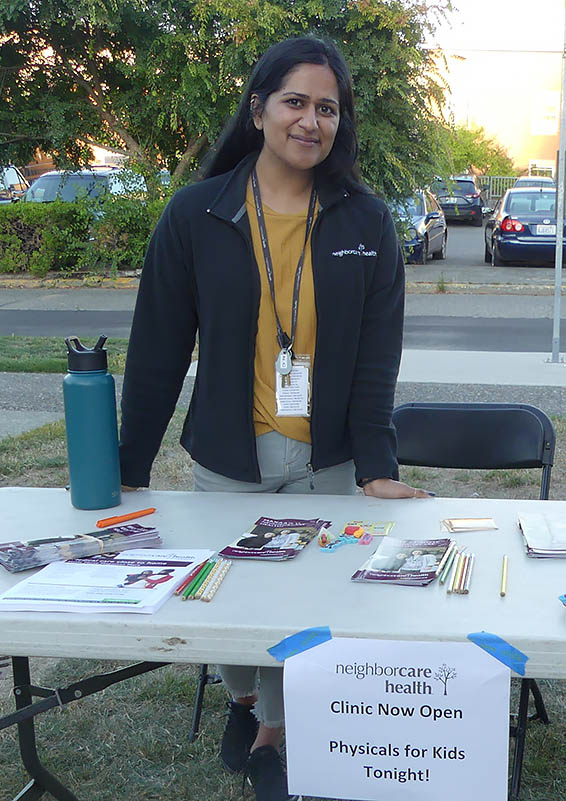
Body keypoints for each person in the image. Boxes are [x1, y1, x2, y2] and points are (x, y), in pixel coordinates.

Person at [119, 34, 432, 801]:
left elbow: (376, 362)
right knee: (233, 597)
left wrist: (377, 468)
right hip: (230, 455)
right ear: (258, 109)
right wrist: (126, 471)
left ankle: (273, 735)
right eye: (296, 101)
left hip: (326, 460)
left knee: (306, 603)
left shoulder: (366, 223)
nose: (311, 121)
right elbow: (157, 352)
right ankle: (243, 698)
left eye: (328, 107)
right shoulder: (196, 214)